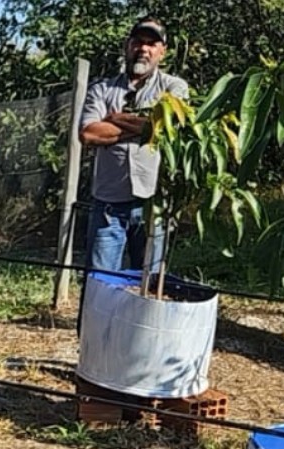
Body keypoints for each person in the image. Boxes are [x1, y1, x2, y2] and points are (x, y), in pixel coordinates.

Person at [78, 17, 189, 276]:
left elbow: (169, 127)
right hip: (108, 203)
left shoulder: (173, 87)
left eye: (152, 43)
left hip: (153, 201)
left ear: (162, 51)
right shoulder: (102, 89)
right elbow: (89, 134)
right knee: (100, 283)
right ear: (128, 46)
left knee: (149, 284)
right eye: (138, 42)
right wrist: (146, 127)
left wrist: (115, 119)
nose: (144, 49)